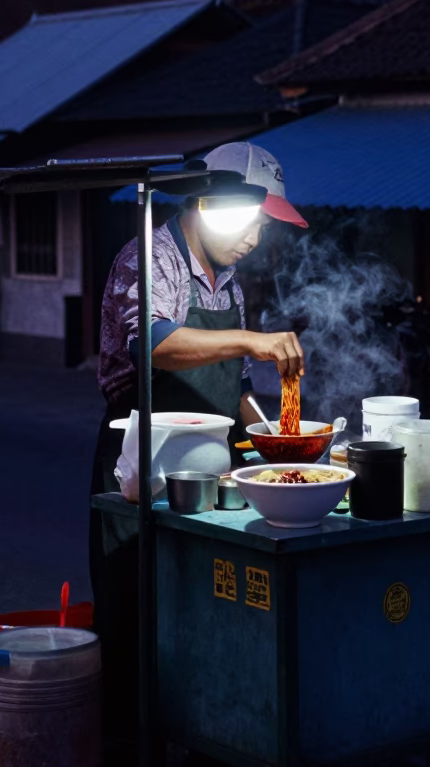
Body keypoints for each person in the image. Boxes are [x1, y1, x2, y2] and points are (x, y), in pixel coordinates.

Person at [89, 142, 307, 752]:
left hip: (210, 462)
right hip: (140, 464)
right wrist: (253, 341)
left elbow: (234, 385)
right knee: (137, 614)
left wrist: (272, 437)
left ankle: (209, 737)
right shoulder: (149, 256)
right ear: (210, 205)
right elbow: (152, 345)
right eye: (250, 222)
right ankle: (131, 747)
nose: (255, 239)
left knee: (201, 611)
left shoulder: (230, 282)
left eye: (263, 226)